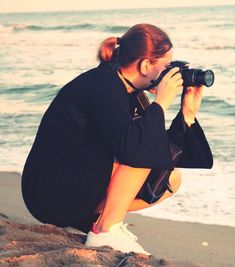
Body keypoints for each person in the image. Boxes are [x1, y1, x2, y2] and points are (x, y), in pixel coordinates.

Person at [21, 24, 213, 255]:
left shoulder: (129, 91)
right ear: (145, 65)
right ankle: (105, 231)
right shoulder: (103, 83)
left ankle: (102, 222)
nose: (170, 74)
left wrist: (188, 114)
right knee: (140, 144)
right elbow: (137, 148)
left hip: (71, 190)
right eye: (166, 66)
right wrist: (161, 102)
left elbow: (163, 151)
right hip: (48, 191)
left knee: (171, 178)